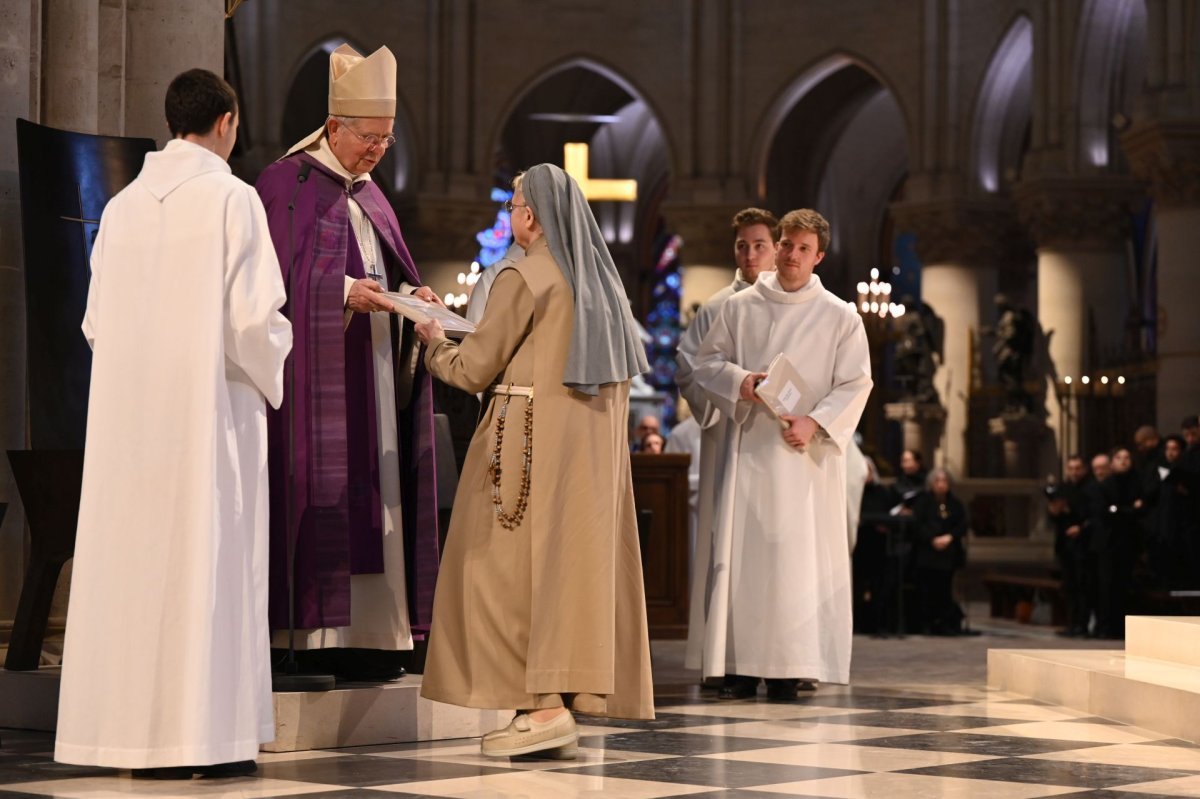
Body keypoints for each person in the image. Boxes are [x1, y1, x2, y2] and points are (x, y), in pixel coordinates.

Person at [55, 69, 292, 776]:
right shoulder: (234, 199)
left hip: (130, 430)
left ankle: (132, 737)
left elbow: (96, 323)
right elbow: (254, 322)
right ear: (226, 122)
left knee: (136, 572)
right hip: (209, 422)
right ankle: (205, 741)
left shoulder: (122, 208)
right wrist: (279, 354)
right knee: (208, 566)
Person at [414, 164, 654, 757]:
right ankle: (556, 702)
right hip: (589, 462)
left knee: (496, 571)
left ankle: (540, 707)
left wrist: (432, 342)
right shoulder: (603, 285)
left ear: (532, 215)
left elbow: (474, 369)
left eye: (516, 204)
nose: (511, 214)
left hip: (523, 446)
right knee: (565, 575)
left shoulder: (525, 275)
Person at [255, 44, 441, 678]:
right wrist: (339, 293)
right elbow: (268, 285)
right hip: (315, 380)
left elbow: (386, 268)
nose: (378, 151)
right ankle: (311, 635)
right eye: (369, 138)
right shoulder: (284, 185)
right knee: (324, 487)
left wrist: (411, 294)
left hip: (376, 374)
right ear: (334, 127)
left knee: (379, 497)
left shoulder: (372, 194)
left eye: (387, 141)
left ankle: (375, 636)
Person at [691, 208, 872, 700]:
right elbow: (706, 362)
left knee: (797, 561)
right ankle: (741, 664)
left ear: (819, 257)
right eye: (787, 244)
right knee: (746, 558)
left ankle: (792, 664)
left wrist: (814, 421)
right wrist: (742, 382)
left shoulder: (840, 315)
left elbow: (856, 382)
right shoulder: (742, 306)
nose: (791, 255)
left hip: (805, 457)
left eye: (802, 249)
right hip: (751, 447)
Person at [676, 207, 778, 678]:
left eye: (759, 244)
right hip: (731, 435)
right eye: (742, 245)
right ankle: (726, 658)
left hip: (782, 443)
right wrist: (733, 389)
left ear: (777, 247)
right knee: (728, 546)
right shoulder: (716, 307)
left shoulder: (797, 303)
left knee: (777, 547)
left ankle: (782, 656)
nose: (750, 253)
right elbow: (688, 368)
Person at [1089, 447, 1143, 639]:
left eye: (1127, 457)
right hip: (1108, 544)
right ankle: (1105, 627)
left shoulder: (1138, 482)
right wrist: (1128, 510)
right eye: (1119, 458)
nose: (1123, 461)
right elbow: (1105, 512)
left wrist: (1119, 510)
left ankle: (1124, 629)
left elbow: (1139, 510)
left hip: (1130, 543)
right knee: (1106, 586)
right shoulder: (1106, 485)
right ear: (1112, 462)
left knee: (1126, 586)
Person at [911, 468, 969, 635]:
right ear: (931, 484)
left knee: (945, 591)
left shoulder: (955, 503)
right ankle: (927, 624)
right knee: (927, 590)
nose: (941, 485)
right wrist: (932, 539)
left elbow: (962, 524)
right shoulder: (923, 502)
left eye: (944, 481)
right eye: (937, 481)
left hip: (948, 554)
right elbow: (918, 525)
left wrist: (949, 537)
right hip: (927, 553)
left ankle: (944, 624)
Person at [1048, 455, 1093, 637]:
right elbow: (1053, 516)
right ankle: (1071, 624)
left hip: (1083, 545)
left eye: (1077, 468)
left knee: (1083, 586)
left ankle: (1082, 625)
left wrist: (1081, 527)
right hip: (1065, 544)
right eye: (1071, 468)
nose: (1074, 472)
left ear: (1084, 469)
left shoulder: (1090, 488)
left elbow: (1092, 515)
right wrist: (1054, 511)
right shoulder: (1062, 489)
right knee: (1069, 586)